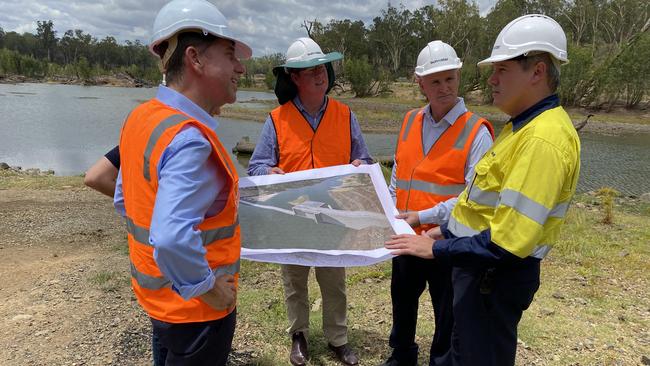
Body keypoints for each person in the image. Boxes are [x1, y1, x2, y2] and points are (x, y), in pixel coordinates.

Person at [385, 14, 581, 366]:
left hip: (492, 276)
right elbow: (481, 201)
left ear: (537, 72)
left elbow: (507, 243)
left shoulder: (541, 140)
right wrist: (444, 228)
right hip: (472, 267)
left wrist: (439, 248)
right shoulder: (522, 128)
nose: (490, 80)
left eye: (501, 70)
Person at [113, 0, 251, 364]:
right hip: (198, 317)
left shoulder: (141, 119)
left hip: (161, 305)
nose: (240, 67)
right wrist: (210, 291)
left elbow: (125, 200)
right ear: (196, 59)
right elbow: (172, 237)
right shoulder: (189, 139)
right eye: (230, 54)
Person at [248, 37, 372, 366]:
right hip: (291, 216)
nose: (319, 75)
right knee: (294, 281)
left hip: (334, 215)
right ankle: (299, 336)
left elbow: (364, 159)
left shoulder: (346, 116)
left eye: (322, 68)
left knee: (335, 282)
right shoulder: (276, 120)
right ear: (294, 78)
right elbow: (256, 165)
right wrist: (269, 170)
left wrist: (361, 166)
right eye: (309, 70)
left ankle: (338, 339)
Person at [382, 41, 494, 366]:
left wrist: (423, 217)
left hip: (447, 242)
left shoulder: (477, 132)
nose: (444, 87)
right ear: (420, 83)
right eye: (435, 81)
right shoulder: (409, 121)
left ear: (459, 76)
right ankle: (401, 357)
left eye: (450, 78)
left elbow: (472, 199)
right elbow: (398, 174)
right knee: (402, 305)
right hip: (407, 237)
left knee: (447, 316)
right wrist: (393, 214)